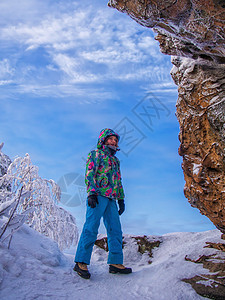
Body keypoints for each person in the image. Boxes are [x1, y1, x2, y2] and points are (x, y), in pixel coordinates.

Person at [74, 128, 132, 279]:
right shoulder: (95, 154)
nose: (114, 141)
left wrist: (121, 199)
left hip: (112, 199)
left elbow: (118, 181)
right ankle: (81, 261)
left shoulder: (115, 161)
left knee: (115, 230)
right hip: (98, 196)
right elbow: (89, 173)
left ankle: (115, 263)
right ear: (104, 140)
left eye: (116, 140)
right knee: (91, 227)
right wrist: (91, 192)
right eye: (111, 139)